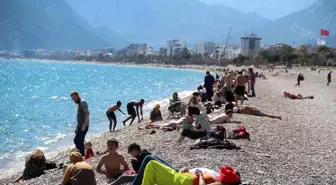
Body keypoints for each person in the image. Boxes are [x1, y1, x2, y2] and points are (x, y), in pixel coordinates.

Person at [131, 156, 241, 185]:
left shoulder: (219, 183)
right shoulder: (216, 179)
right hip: (181, 177)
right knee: (151, 158)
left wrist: (201, 176)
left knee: (151, 163)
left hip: (178, 181)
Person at [70, 91, 89, 156]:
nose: (74, 100)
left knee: (77, 140)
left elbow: (87, 114)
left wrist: (84, 125)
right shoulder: (80, 103)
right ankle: (81, 155)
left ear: (77, 95)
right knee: (79, 140)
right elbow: (80, 117)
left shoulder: (82, 102)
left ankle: (81, 155)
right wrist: (77, 127)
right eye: (73, 99)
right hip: (80, 126)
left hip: (84, 126)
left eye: (74, 98)